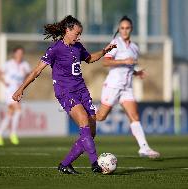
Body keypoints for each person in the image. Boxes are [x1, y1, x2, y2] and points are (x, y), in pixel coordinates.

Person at [12, 15, 116, 174]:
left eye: (80, 33)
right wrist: (21, 88)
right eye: (77, 33)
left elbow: (89, 59)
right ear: (67, 30)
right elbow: (36, 71)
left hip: (82, 90)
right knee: (83, 122)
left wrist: (104, 51)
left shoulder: (78, 47)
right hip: (65, 92)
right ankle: (95, 163)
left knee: (91, 131)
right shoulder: (55, 49)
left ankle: (65, 164)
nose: (79, 36)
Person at [96, 16, 160, 158]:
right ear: (119, 29)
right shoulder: (115, 43)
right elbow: (105, 62)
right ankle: (82, 109)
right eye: (122, 28)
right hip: (113, 85)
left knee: (134, 116)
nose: (125, 31)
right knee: (100, 117)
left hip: (127, 87)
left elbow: (129, 67)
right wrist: (124, 60)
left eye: (127, 28)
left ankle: (144, 148)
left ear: (131, 29)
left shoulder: (135, 48)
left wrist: (136, 72)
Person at [0, 46, 31, 146]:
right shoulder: (8, 64)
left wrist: (24, 83)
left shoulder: (25, 65)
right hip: (9, 91)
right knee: (18, 109)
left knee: (10, 113)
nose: (20, 55)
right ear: (14, 54)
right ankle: (13, 133)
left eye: (21, 53)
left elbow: (29, 75)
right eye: (18, 53)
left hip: (18, 91)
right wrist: (5, 83)